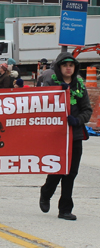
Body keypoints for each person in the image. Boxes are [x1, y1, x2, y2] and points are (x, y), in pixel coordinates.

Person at [40, 52, 92, 220]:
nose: (68, 67)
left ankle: (65, 209)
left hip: (75, 134)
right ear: (59, 67)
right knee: (57, 170)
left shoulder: (80, 86)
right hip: (57, 135)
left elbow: (87, 110)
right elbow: (40, 104)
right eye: (65, 65)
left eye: (71, 65)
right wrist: (56, 93)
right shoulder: (50, 83)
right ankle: (46, 192)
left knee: (71, 173)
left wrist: (77, 120)